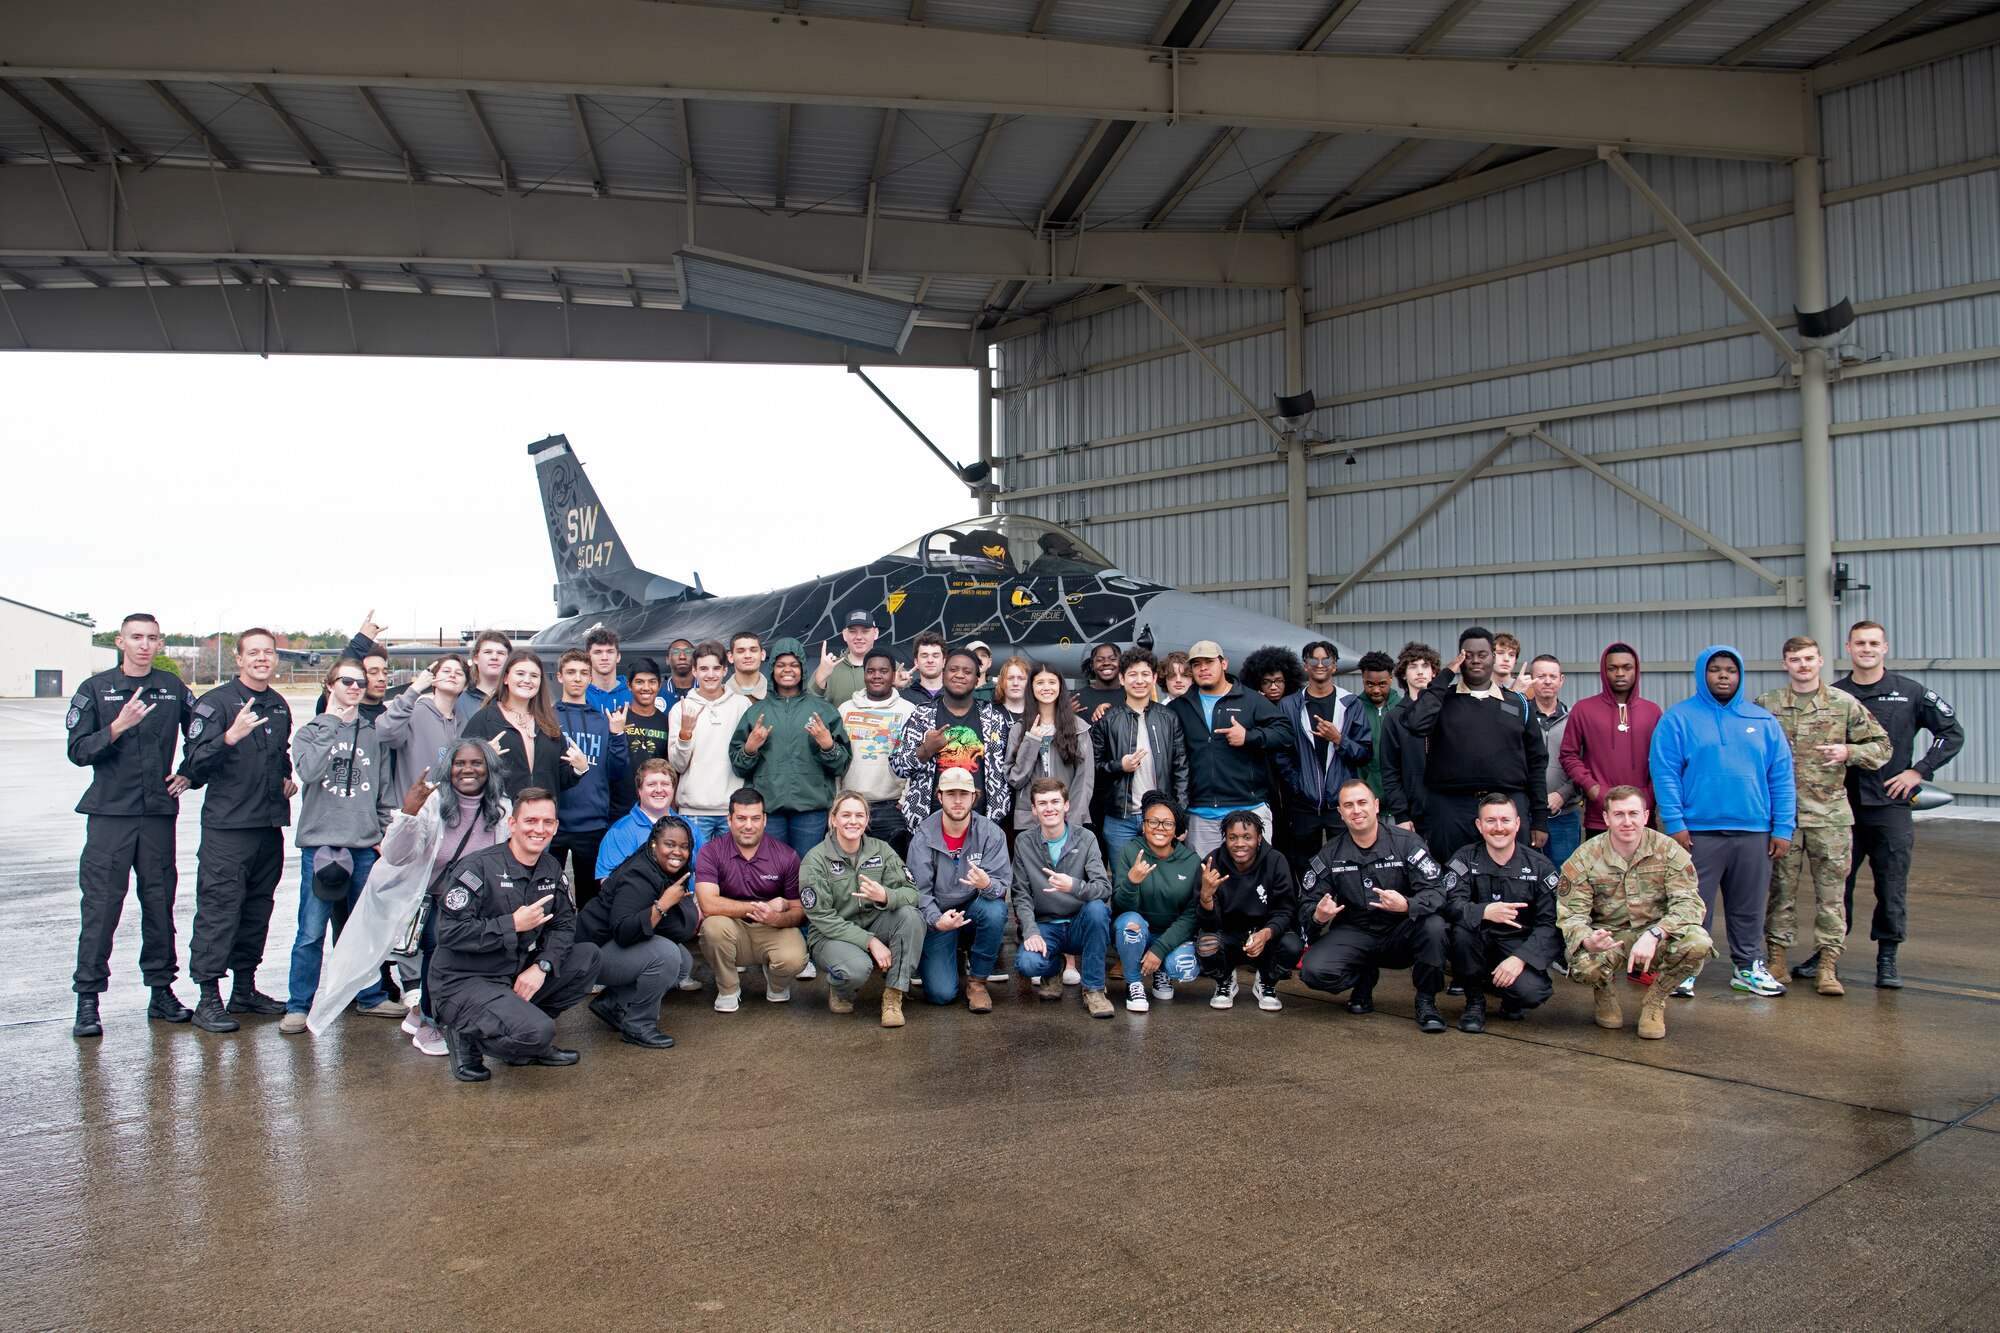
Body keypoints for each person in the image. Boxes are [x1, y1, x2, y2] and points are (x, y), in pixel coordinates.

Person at [66, 611, 201, 1037]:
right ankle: (88, 1000)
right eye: (136, 637)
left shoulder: (172, 688)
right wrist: (118, 726)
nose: (145, 644)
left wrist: (190, 771)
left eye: (152, 638)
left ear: (160, 645)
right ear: (120, 642)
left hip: (157, 815)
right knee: (102, 908)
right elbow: (78, 749)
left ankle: (161, 992)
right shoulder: (95, 689)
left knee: (159, 906)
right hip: (110, 817)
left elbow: (203, 733)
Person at [1819, 619, 1965, 988]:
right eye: (1859, 643)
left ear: (1885, 648)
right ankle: (1828, 956)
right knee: (1836, 888)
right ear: (1848, 649)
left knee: (1891, 885)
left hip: (1890, 807)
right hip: (1843, 809)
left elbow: (1951, 733)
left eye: (1873, 643)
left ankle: (1888, 958)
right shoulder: (1833, 696)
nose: (1866, 649)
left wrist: (1919, 771)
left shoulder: (1910, 692)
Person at [1648, 645, 1795, 997]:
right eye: (1715, 669)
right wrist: (1676, 823)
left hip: (1754, 832)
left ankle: (1748, 967)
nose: (1724, 675)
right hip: (1699, 833)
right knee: (1693, 905)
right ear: (1702, 674)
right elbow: (1665, 773)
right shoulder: (1679, 719)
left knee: (1749, 906)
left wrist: (1783, 827)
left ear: (1741, 675)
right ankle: (1685, 969)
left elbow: (1782, 777)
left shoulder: (1762, 721)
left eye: (1731, 669)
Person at [429, 788, 603, 1081]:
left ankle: (527, 1034)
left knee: (588, 958)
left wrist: (541, 966)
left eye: (547, 822)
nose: (539, 829)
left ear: (556, 827)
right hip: (463, 981)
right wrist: (511, 924)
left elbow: (563, 925)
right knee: (539, 1032)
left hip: (510, 972)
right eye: (531, 821)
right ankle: (466, 1034)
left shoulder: (550, 867)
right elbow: (448, 932)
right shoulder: (477, 868)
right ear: (512, 824)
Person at [1753, 635, 1890, 995]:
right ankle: (1777, 958)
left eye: (1809, 659)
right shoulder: (1767, 705)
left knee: (1832, 895)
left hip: (1829, 817)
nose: (1803, 665)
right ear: (1785, 664)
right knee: (1780, 890)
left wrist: (1848, 751)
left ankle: (1828, 964)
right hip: (1782, 818)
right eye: (1795, 659)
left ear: (1820, 662)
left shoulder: (1844, 704)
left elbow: (1882, 746)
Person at [180, 628, 298, 1034]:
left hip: (268, 825)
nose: (262, 658)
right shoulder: (215, 704)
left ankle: (244, 989)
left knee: (257, 910)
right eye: (254, 652)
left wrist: (287, 777)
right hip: (228, 829)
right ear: (239, 657)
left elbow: (279, 754)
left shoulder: (278, 705)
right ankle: (207, 997)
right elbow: (193, 768)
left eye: (268, 652)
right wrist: (229, 737)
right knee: (219, 911)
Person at [282, 660, 401, 1034]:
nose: (355, 687)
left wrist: (383, 834)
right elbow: (310, 772)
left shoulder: (373, 735)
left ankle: (369, 996)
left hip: (364, 845)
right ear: (329, 685)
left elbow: (383, 790)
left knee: (363, 928)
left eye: (360, 683)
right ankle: (299, 1005)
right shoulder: (310, 731)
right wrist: (333, 723)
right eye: (346, 681)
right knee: (311, 931)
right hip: (321, 845)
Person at [374, 739, 511, 1057]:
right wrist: (408, 812)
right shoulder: (432, 804)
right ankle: (429, 1025)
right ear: (448, 767)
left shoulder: (502, 807)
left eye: (477, 763)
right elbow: (395, 855)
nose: (468, 769)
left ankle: (420, 1012)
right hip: (436, 899)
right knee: (440, 953)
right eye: (460, 762)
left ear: (489, 768)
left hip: (478, 902)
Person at [1557, 786, 1714, 1040]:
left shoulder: (1669, 851)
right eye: (1619, 815)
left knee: (1698, 941)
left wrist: (1656, 933)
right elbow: (1571, 914)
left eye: (1633, 813)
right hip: (1609, 939)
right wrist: (1588, 939)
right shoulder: (1585, 857)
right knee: (1584, 963)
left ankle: (1656, 1000)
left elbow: (1689, 905)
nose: (1627, 821)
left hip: (1655, 938)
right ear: (1606, 818)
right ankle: (1603, 990)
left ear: (1645, 815)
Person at [1295, 780, 1449, 1033]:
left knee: (1435, 926)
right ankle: (1363, 979)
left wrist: (1407, 904)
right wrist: (1319, 915)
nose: (1356, 810)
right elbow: (1307, 904)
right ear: (1341, 813)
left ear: (1376, 806)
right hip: (1357, 931)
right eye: (1349, 805)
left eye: (1362, 802)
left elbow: (1437, 890)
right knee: (1314, 971)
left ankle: (1426, 1001)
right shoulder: (1330, 853)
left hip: (1401, 930)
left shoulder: (1407, 843)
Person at [1402, 626, 1548, 861]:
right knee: (1451, 880)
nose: (1476, 661)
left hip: (1507, 807)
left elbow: (1537, 763)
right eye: (1468, 656)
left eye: (1483, 654)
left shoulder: (1519, 704)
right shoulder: (1441, 700)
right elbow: (1415, 723)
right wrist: (1445, 676)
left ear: (1493, 657)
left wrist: (1539, 817)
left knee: (1509, 882)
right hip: (1450, 811)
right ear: (1460, 659)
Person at [801, 791, 925, 1027]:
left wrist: (886, 895)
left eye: (859, 815)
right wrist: (870, 941)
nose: (853, 821)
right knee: (856, 969)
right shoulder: (815, 859)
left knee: (910, 917)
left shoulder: (882, 850)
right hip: (831, 935)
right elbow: (821, 916)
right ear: (833, 819)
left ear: (867, 820)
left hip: (875, 921)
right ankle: (840, 988)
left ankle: (893, 995)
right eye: (846, 815)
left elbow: (912, 893)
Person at [1441, 792, 1561, 1033]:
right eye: (1490, 821)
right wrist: (1484, 911)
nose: (1498, 828)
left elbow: (1550, 924)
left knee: (1532, 992)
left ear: (1517, 824)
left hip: (1517, 946)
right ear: (1479, 825)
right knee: (1461, 932)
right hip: (1477, 942)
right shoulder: (1464, 859)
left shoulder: (1540, 867)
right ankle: (1475, 1002)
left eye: (1505, 820)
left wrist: (1520, 959)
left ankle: (1510, 996)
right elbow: (1449, 904)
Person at [576, 814, 697, 1048]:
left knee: (683, 960)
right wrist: (663, 904)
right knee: (667, 956)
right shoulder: (639, 875)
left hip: (613, 945)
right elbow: (623, 930)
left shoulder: (662, 868)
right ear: (654, 844)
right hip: (592, 953)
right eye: (669, 845)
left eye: (684, 847)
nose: (678, 853)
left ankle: (613, 1003)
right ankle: (639, 1026)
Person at [1163, 641, 1293, 856]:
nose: (1203, 668)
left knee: (1252, 882)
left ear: (1224, 664)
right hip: (1200, 814)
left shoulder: (1250, 699)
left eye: (1209, 662)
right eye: (1197, 664)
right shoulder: (1180, 707)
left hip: (1247, 809)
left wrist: (1250, 737)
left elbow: (1286, 733)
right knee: (1208, 883)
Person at [729, 637, 851, 858]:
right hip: (768, 807)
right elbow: (739, 767)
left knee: (806, 870)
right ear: (772, 669)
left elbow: (841, 765)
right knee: (771, 871)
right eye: (781, 665)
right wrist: (750, 749)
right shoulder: (756, 712)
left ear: (803, 669)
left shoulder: (823, 711)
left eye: (794, 665)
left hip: (811, 809)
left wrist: (828, 746)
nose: (787, 670)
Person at [693, 788, 808, 1012]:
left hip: (771, 928)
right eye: (741, 818)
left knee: (795, 958)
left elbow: (799, 911)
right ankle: (728, 988)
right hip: (731, 928)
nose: (748, 826)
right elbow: (708, 904)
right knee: (712, 927)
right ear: (729, 819)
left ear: (764, 820)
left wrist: (775, 916)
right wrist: (761, 907)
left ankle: (777, 984)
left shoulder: (786, 855)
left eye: (755, 818)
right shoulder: (710, 851)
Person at [909, 768, 1013, 1010]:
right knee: (940, 994)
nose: (957, 801)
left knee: (995, 911)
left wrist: (987, 884)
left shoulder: (990, 833)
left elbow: (1001, 886)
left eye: (964, 794)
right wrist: (937, 921)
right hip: (940, 918)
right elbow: (919, 892)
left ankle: (978, 981)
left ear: (974, 798)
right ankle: (949, 954)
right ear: (939, 796)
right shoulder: (923, 837)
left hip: (972, 910)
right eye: (951, 793)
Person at [1010, 778, 1114, 1017]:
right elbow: (1021, 894)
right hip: (1047, 925)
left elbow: (1103, 887)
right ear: (1034, 810)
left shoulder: (1086, 838)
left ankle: (1094, 990)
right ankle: (1053, 969)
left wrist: (1074, 886)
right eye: (1042, 803)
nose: (1050, 808)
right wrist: (1030, 930)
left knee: (1098, 910)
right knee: (1027, 964)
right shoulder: (1024, 842)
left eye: (1056, 801)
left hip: (1080, 924)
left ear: (1066, 805)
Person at [1275, 639, 1373, 878]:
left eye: (1326, 660)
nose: (1320, 665)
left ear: (1335, 666)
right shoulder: (1289, 705)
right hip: (1303, 804)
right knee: (1305, 867)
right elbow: (1280, 752)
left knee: (1347, 864)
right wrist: (1298, 785)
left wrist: (1339, 739)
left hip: (1341, 804)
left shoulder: (1350, 704)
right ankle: (1311, 912)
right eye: (1313, 660)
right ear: (1305, 666)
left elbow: (1364, 753)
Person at [892, 648, 1014, 831]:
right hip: (928, 824)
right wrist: (926, 749)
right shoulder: (921, 715)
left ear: (976, 679)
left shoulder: (994, 720)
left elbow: (1007, 773)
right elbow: (898, 766)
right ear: (943, 674)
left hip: (981, 825)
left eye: (967, 671)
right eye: (953, 669)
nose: (959, 675)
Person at [1194, 810, 1301, 1012]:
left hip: (1263, 936)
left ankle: (1267, 981)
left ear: (1259, 838)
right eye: (1232, 837)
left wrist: (1265, 933)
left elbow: (1285, 912)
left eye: (1247, 837)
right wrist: (1206, 897)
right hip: (1227, 935)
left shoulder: (1276, 861)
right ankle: (1224, 980)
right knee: (1206, 944)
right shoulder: (1212, 862)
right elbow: (1206, 924)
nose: (1240, 844)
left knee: (1292, 945)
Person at [551, 648, 631, 908]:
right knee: (547, 895)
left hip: (591, 823)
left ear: (590, 677)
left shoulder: (601, 720)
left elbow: (618, 772)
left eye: (584, 673)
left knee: (590, 899)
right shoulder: (547, 718)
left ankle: (586, 946)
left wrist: (618, 736)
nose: (578, 678)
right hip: (553, 823)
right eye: (571, 672)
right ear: (560, 676)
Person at [1560, 642, 1662, 841]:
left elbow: (1663, 761)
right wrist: (1592, 788)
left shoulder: (1653, 711)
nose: (1620, 673)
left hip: (1641, 813)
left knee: (1645, 871)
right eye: (1612, 668)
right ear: (1603, 671)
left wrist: (1649, 796)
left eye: (1627, 667)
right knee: (1602, 872)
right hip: (1600, 814)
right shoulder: (1584, 709)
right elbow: (1568, 754)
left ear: (1636, 670)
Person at [1111, 791, 1202, 1012]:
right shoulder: (1130, 852)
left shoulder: (1191, 861)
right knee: (1129, 924)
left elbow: (1191, 914)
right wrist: (1132, 882)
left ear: (1176, 830)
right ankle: (1134, 983)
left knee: (1185, 968)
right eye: (1153, 821)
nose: (1159, 828)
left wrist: (1160, 949)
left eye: (1167, 824)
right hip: (1138, 930)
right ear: (1143, 825)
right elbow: (1121, 908)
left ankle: (1163, 972)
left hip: (1170, 934)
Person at [1093, 647, 1189, 857]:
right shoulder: (1107, 719)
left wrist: (1179, 816)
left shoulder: (1169, 718)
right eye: (1132, 675)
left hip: (1161, 816)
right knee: (1124, 883)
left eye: (1145, 674)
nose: (1139, 680)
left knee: (1160, 881)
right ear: (1121, 679)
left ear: (1154, 678)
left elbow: (1181, 769)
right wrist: (1120, 766)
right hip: (1120, 819)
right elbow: (1094, 768)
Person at [461, 649, 588, 802]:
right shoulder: (484, 719)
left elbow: (559, 779)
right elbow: (461, 772)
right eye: (520, 674)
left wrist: (579, 769)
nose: (527, 680)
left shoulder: (548, 722)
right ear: (506, 678)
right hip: (500, 818)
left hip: (542, 818)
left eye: (534, 676)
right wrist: (483, 759)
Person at [667, 641, 753, 846]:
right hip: (694, 810)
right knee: (698, 873)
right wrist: (685, 734)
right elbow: (677, 765)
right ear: (694, 671)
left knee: (733, 874)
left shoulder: (742, 705)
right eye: (704, 669)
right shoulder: (681, 708)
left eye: (716, 668)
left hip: (733, 809)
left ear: (725, 670)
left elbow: (749, 758)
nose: (710, 675)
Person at [836, 648, 917, 855]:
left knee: (891, 874)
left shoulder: (908, 710)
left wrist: (904, 800)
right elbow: (837, 758)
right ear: (864, 674)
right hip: (852, 805)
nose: (877, 676)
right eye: (871, 671)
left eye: (883, 671)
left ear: (893, 675)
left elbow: (916, 758)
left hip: (892, 807)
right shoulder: (845, 709)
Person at [374, 654, 471, 819]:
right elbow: (385, 732)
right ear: (434, 679)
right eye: (446, 671)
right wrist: (413, 690)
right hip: (413, 816)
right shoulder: (414, 712)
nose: (452, 675)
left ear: (465, 685)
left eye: (459, 673)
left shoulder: (464, 724)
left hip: (449, 819)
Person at [1006, 662, 1094, 837]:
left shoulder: (1079, 729)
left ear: (1061, 687)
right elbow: (1015, 778)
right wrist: (1031, 740)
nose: (1046, 688)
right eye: (1040, 683)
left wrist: (1073, 822)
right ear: (1031, 688)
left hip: (1069, 820)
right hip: (1029, 821)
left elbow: (1084, 781)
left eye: (1052, 682)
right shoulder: (1019, 729)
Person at [595, 759, 706, 885]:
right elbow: (608, 884)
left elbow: (709, 869)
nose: (659, 790)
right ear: (639, 790)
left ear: (673, 789)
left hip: (686, 901)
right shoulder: (620, 832)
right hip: (641, 903)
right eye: (651, 784)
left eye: (664, 784)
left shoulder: (690, 827)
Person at [1524, 654, 1584, 867]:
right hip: (1526, 813)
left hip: (1564, 814)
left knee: (1565, 877)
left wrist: (1563, 793)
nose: (1547, 681)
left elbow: (1584, 763)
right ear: (1531, 679)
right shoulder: (1520, 716)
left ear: (1562, 680)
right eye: (1541, 676)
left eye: (1553, 676)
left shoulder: (1575, 720)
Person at [1379, 642, 1438, 843]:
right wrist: (1401, 815)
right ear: (1403, 674)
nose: (1420, 672)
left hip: (1447, 811)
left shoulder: (1447, 712)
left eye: (1425, 666)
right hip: (1413, 815)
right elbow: (1389, 770)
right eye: (1413, 666)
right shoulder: (1395, 717)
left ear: (1434, 673)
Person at [614, 656, 675, 820]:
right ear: (629, 685)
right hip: (619, 808)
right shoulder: (617, 718)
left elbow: (671, 768)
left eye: (652, 682)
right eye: (639, 682)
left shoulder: (667, 722)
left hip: (656, 809)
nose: (646, 687)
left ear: (659, 684)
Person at [809, 609, 881, 706]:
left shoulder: (890, 666)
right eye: (852, 631)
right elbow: (809, 707)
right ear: (844, 634)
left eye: (865, 631)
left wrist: (901, 686)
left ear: (875, 633)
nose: (859, 637)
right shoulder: (829, 667)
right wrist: (819, 681)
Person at [1354, 650, 1400, 801]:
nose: (1375, 690)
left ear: (1391, 679)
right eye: (1370, 684)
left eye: (1382, 684)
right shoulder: (1353, 709)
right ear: (1363, 680)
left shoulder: (1403, 708)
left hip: (1399, 799)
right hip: (1365, 799)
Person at [1074, 641, 1125, 724]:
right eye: (1100, 660)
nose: (1106, 663)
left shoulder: (1130, 696)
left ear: (1120, 663)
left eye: (1112, 659)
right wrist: (1066, 716)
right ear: (1092, 665)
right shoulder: (1076, 700)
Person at [583, 624, 631, 712]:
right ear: (588, 658)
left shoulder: (632, 692)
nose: (604, 657)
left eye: (610, 652)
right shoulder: (581, 694)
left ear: (618, 657)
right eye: (597, 652)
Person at [466, 630, 512, 706]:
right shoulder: (458, 699)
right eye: (488, 652)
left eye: (500, 653)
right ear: (476, 658)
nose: (494, 657)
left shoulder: (517, 698)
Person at [900, 630, 947, 705]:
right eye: (924, 656)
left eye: (935, 656)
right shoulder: (902, 698)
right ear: (916, 662)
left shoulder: (955, 696)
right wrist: (894, 687)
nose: (930, 660)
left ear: (944, 662)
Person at [725, 630, 769, 701]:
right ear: (730, 657)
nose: (748, 656)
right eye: (740, 651)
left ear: (762, 655)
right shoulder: (719, 696)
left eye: (753, 650)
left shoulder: (778, 694)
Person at [658, 639, 697, 716]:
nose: (682, 656)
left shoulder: (706, 691)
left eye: (688, 652)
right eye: (675, 652)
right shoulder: (657, 692)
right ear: (667, 660)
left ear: (695, 659)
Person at [993, 655, 1032, 729]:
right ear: (1001, 682)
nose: (1015, 683)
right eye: (1010, 678)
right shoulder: (991, 714)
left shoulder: (1038, 713)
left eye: (1021, 678)